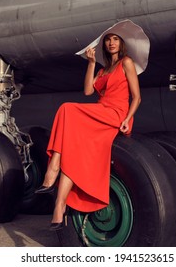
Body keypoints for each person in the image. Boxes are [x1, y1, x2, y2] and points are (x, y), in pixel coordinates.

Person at [35, 20, 149, 231]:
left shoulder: (127, 62)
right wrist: (90, 62)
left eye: (115, 39)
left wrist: (127, 118)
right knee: (72, 151)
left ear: (121, 43)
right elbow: (88, 91)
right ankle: (59, 207)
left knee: (67, 109)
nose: (112, 43)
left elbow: (137, 97)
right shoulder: (103, 69)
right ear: (104, 45)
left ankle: (52, 169)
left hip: (116, 114)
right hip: (99, 113)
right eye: (108, 40)